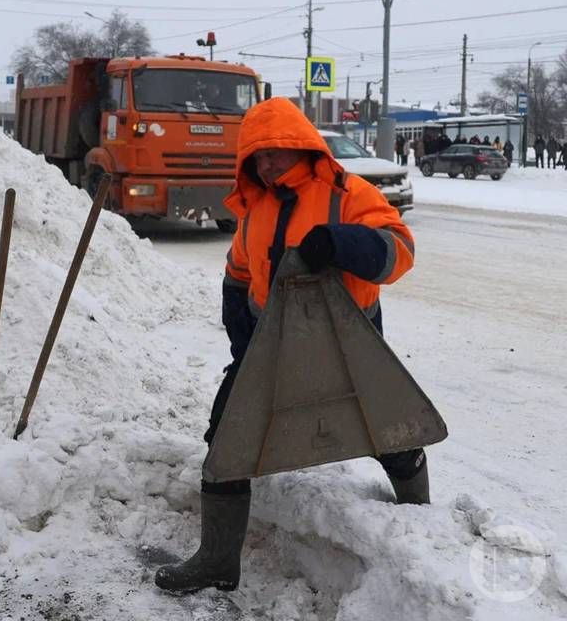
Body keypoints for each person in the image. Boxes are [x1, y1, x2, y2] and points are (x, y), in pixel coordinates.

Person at [155, 97, 422, 595]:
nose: (267, 162)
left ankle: (421, 519)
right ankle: (216, 561)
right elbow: (238, 271)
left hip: (347, 345)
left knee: (391, 430)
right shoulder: (257, 205)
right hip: (268, 346)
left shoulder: (349, 195)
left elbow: (399, 251)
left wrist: (342, 242)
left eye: (276, 151)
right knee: (226, 440)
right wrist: (241, 333)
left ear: (303, 145)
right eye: (257, 155)